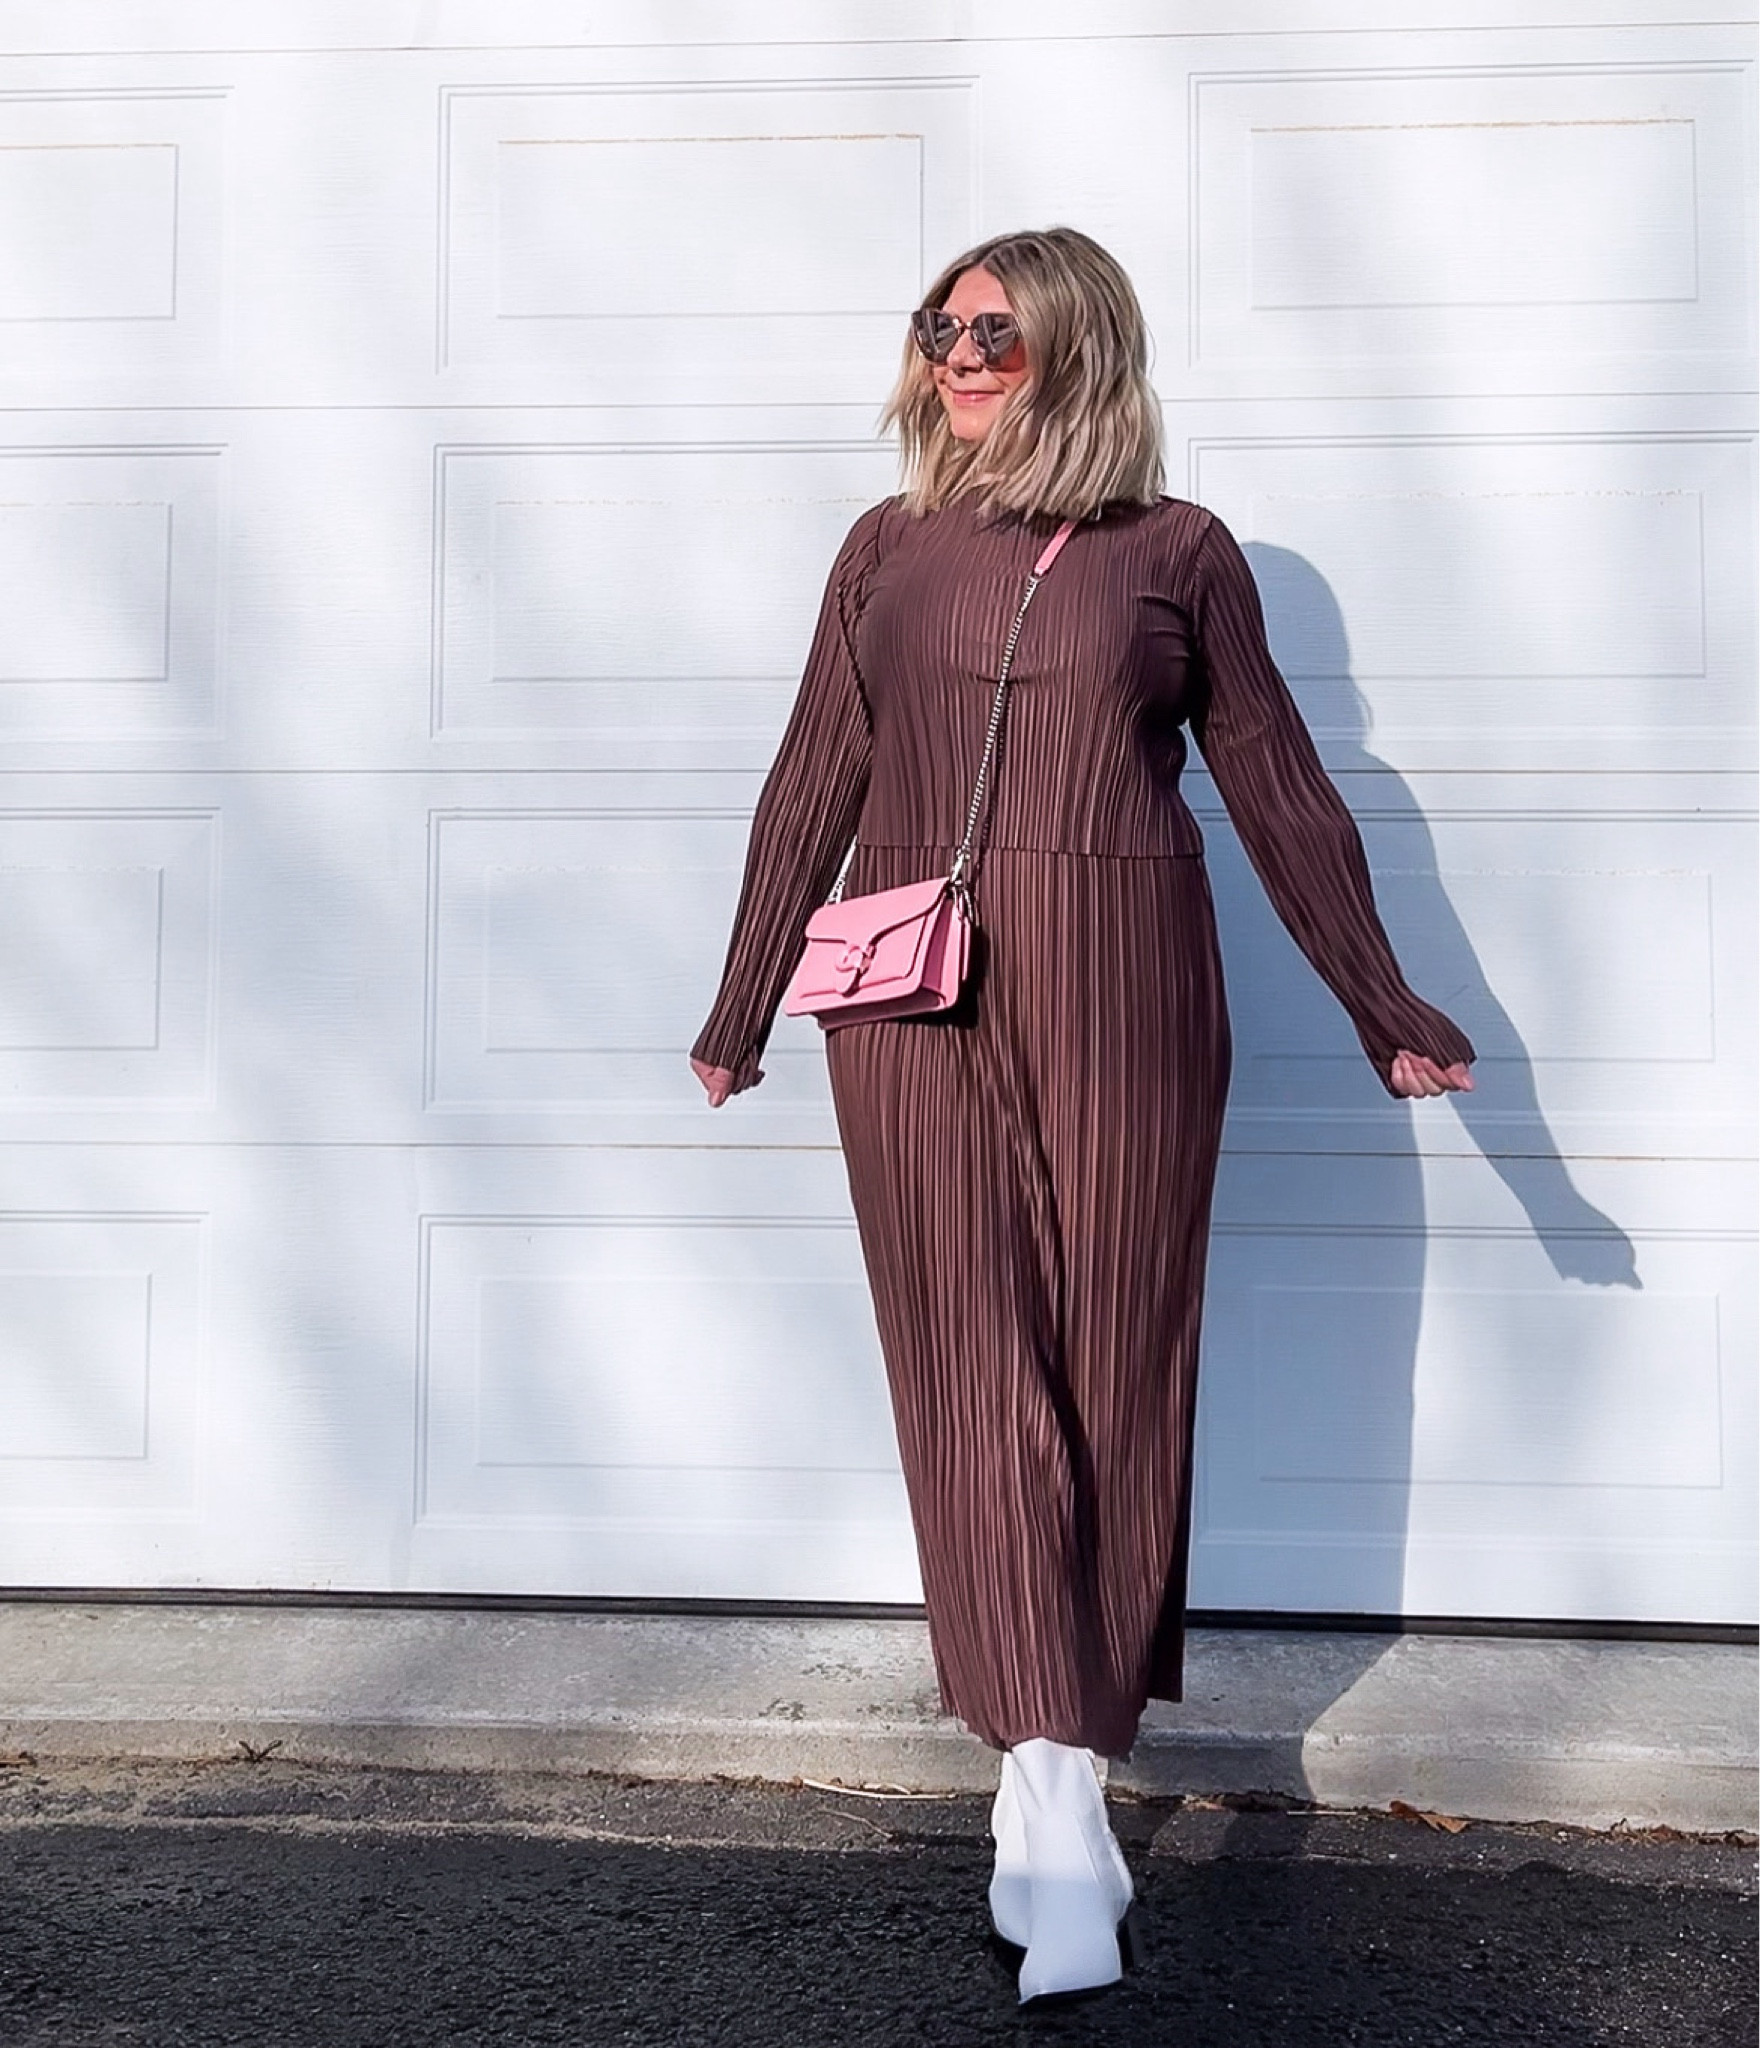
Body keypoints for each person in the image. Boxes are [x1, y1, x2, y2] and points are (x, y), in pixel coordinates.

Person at [689, 226, 1474, 2003]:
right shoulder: (880, 550)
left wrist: (1383, 1001)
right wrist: (742, 996)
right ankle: (1047, 1784)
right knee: (968, 1357)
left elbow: (1275, 776)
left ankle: (1067, 1761)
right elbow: (813, 770)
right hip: (905, 991)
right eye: (938, 327)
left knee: (1116, 1356)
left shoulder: (1175, 553)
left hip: (1125, 975)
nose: (959, 354)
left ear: (1078, 350)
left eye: (998, 330)